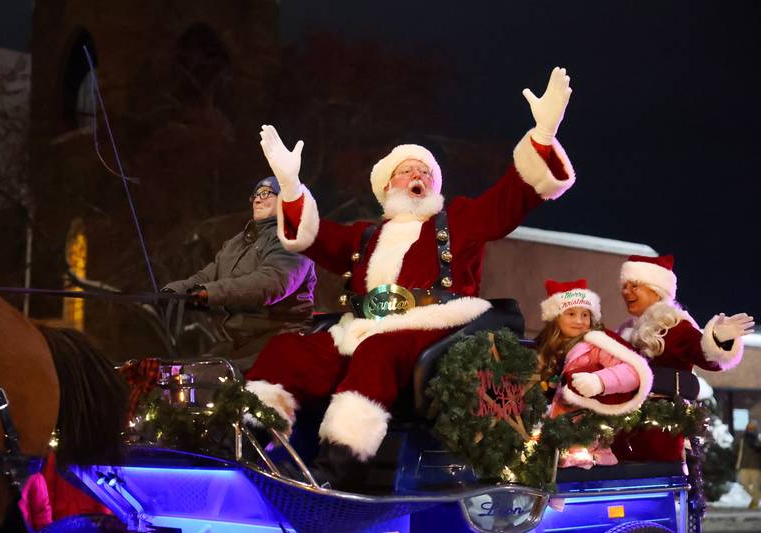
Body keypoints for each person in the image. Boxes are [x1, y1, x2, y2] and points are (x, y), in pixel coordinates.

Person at [243, 67, 576, 490]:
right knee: (287, 349)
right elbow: (311, 236)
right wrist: (290, 187)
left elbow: (509, 200)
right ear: (387, 185)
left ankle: (337, 467)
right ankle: (254, 442)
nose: (417, 176)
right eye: (407, 171)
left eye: (425, 172)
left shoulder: (457, 222)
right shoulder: (366, 233)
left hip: (433, 328)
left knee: (379, 351)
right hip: (361, 330)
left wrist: (542, 137)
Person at [162, 176, 317, 371]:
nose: (257, 200)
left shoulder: (293, 240)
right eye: (255, 195)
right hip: (239, 343)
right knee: (183, 374)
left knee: (207, 382)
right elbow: (208, 275)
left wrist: (209, 292)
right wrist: (172, 292)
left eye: (266, 193)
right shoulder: (237, 243)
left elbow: (270, 284)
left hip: (280, 341)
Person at [612, 254, 754, 461]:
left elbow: (708, 358)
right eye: (624, 286)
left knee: (658, 486)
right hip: (623, 430)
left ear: (657, 290)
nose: (626, 292)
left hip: (662, 434)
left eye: (635, 286)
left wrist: (718, 338)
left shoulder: (675, 325)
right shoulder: (625, 330)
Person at [536, 279, 652, 468]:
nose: (580, 321)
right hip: (550, 437)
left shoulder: (596, 345)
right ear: (556, 317)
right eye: (571, 314)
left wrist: (599, 381)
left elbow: (632, 372)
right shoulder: (544, 350)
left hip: (586, 444)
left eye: (585, 315)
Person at [737, 420, 761, 509]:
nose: (751, 429)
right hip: (744, 464)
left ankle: (755, 502)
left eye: (753, 428)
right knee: (743, 482)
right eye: (749, 427)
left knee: (755, 486)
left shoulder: (758, 437)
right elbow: (739, 451)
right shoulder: (743, 438)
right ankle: (757, 497)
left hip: (756, 466)